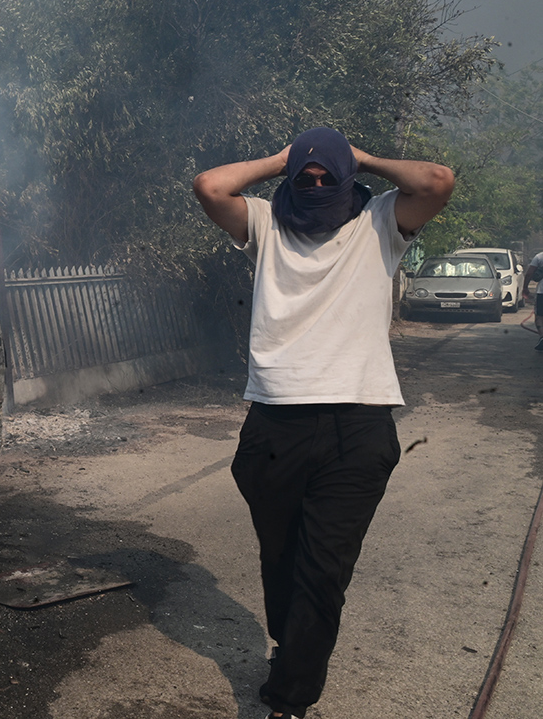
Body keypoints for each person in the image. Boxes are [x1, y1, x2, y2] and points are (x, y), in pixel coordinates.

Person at [192, 126, 454, 719]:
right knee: (279, 556)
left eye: (326, 177)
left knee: (322, 568)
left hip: (356, 428)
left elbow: (437, 181)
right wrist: (286, 159)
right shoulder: (266, 221)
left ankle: (290, 699)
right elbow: (210, 186)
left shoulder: (381, 221)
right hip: (274, 425)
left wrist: (357, 155)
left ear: (347, 179)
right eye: (303, 178)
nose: (314, 185)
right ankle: (292, 649)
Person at [519, 250, 543, 350]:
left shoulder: (540, 257)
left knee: (539, 316)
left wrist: (525, 288)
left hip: (542, 292)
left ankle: (542, 337)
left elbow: (529, 273)